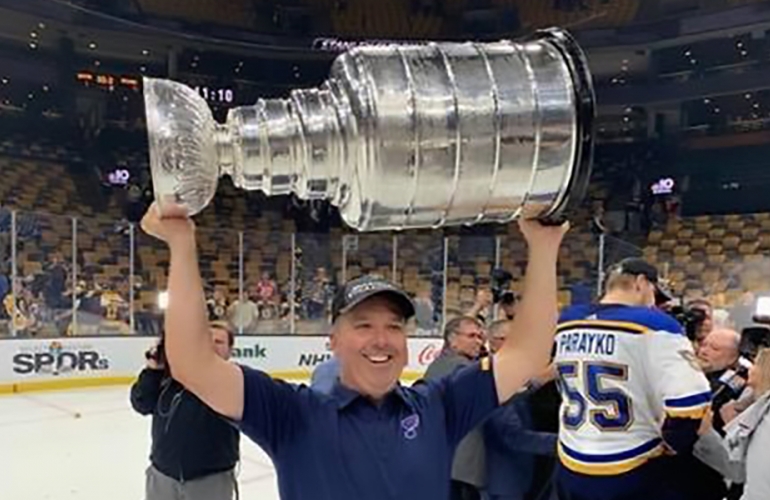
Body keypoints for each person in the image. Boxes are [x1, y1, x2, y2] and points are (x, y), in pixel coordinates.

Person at [140, 201, 568, 500]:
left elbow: (528, 354)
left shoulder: (440, 405)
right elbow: (193, 362)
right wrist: (181, 244)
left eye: (393, 326)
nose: (381, 339)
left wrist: (545, 248)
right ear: (334, 341)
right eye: (363, 325)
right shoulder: (291, 414)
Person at [553, 257, 711, 500]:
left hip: (571, 458)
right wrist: (675, 443)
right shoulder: (656, 324)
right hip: (632, 464)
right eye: (655, 294)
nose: (655, 303)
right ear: (640, 283)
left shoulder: (567, 320)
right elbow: (689, 403)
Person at [130, 320, 240, 500]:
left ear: (230, 351)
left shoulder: (235, 382)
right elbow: (141, 404)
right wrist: (153, 371)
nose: (211, 346)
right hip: (163, 476)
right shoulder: (171, 378)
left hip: (210, 481)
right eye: (207, 340)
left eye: (219, 342)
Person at [483, 320, 558, 500]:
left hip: (522, 475)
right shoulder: (490, 375)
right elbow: (511, 434)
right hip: (504, 481)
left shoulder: (513, 373)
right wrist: (565, 444)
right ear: (496, 341)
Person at [424, 316, 488, 500]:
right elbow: (496, 392)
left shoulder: (438, 365)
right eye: (472, 336)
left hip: (441, 462)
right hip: (460, 468)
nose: (478, 342)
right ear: (452, 340)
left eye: (480, 337)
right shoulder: (462, 367)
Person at [695, 348, 770, 500]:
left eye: (754, 363)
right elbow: (736, 469)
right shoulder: (760, 408)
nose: (749, 368)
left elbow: (740, 471)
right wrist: (707, 432)